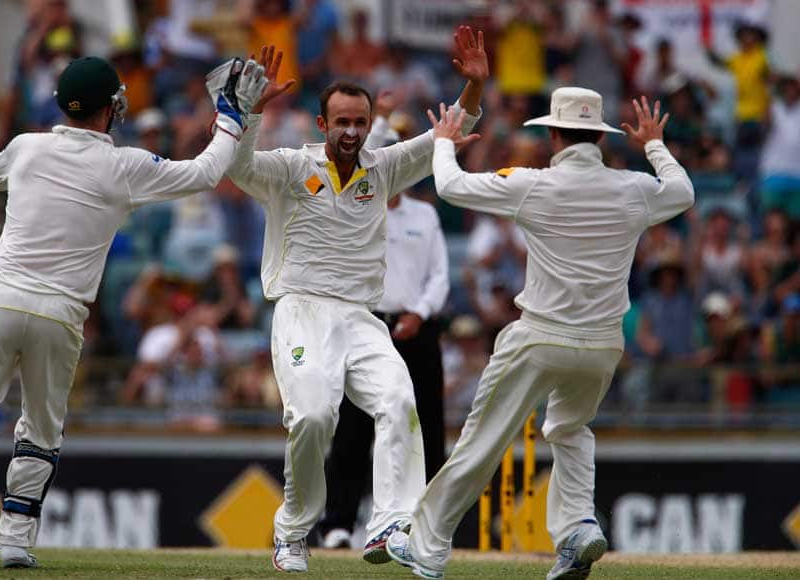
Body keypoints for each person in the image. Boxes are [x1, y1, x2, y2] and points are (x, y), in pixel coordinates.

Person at [0, 55, 267, 568]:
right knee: (41, 427)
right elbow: (205, 173)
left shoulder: (26, 147)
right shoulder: (124, 166)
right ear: (111, 109)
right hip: (60, 311)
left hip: (1, 293)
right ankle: (14, 539)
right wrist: (232, 117)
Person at [385, 87, 694, 580]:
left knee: (483, 439)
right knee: (570, 429)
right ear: (598, 136)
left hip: (541, 337)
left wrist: (443, 140)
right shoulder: (634, 187)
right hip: (602, 345)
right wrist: (654, 144)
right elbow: (683, 192)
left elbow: (450, 187)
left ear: (552, 134)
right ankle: (576, 529)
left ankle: (427, 545)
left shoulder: (533, 183)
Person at [226, 29, 486, 572]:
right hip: (301, 311)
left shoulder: (384, 166)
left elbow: (450, 131)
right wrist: (249, 114)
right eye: (340, 122)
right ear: (322, 124)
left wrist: (474, 87)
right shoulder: (293, 167)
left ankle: (391, 522)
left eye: (359, 122)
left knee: (399, 401)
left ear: (370, 125)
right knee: (315, 416)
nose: (350, 131)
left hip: (362, 319)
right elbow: (240, 168)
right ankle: (293, 532)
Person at [318, 100, 451, 549]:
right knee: (353, 428)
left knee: (426, 427)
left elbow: (440, 275)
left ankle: (424, 525)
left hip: (417, 326)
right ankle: (338, 523)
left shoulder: (425, 214)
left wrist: (420, 313)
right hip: (368, 323)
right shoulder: (358, 205)